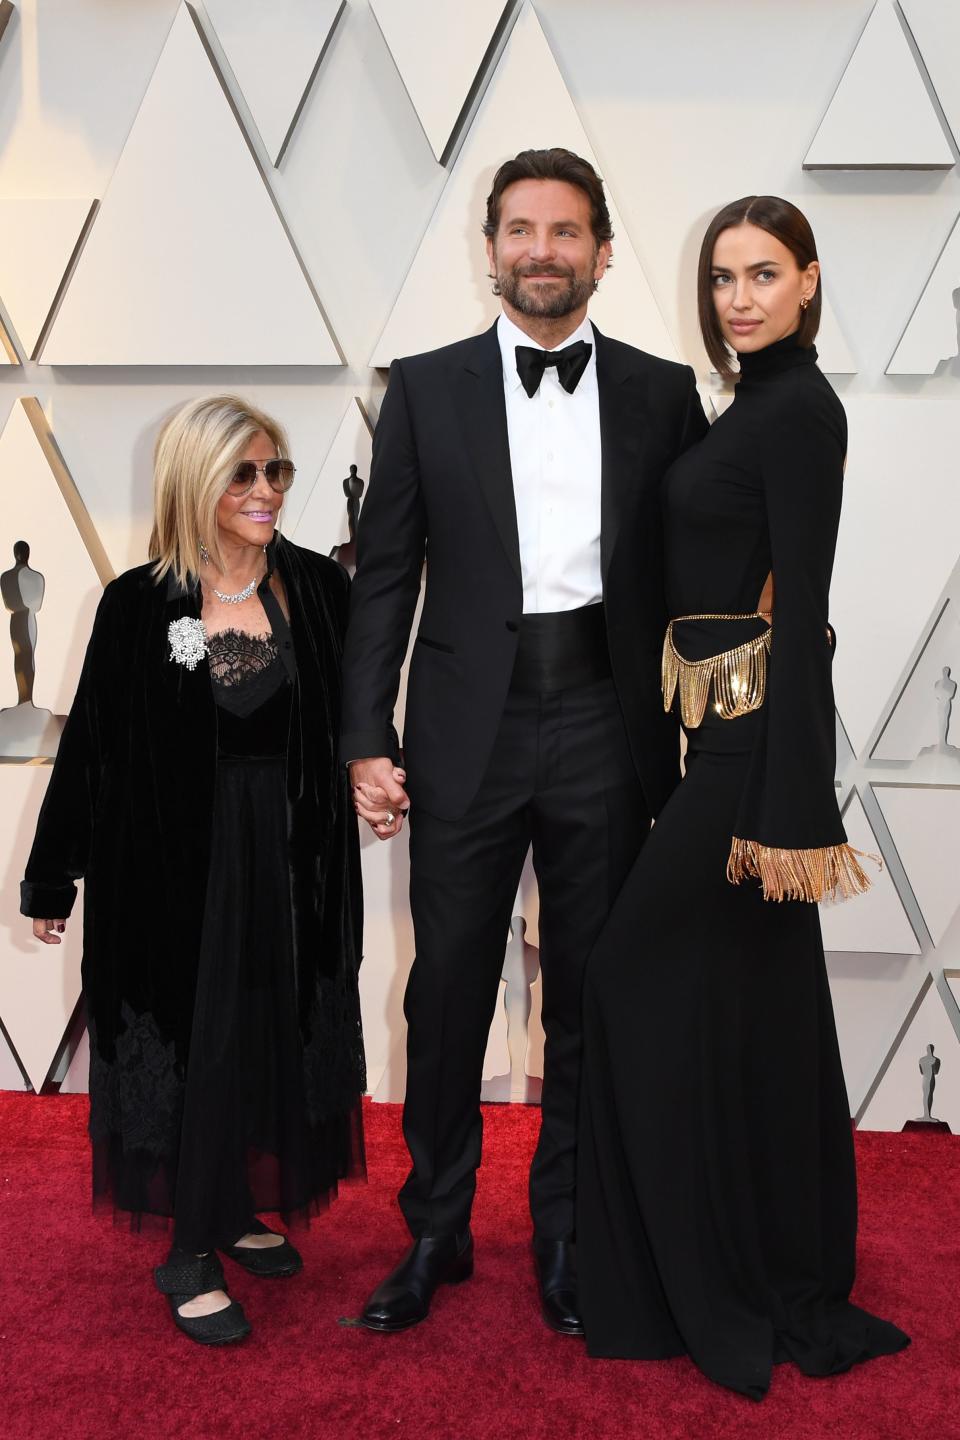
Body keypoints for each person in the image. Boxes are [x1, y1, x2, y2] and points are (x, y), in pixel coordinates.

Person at [341, 147, 707, 1335]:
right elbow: (385, 576)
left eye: (563, 232)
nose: (539, 250)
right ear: (489, 248)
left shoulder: (661, 392)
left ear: (604, 251)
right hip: (465, 728)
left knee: (590, 997)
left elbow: (699, 572)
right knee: (445, 989)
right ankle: (438, 1229)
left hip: (610, 717)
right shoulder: (427, 388)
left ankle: (568, 1230)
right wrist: (364, 731)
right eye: (518, 230)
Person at [576, 197, 910, 1397]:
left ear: (810, 284)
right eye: (723, 277)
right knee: (748, 1007)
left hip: (753, 757)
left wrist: (790, 804)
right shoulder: (749, 407)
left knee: (628, 974)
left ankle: (695, 1268)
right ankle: (733, 1253)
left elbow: (804, 613)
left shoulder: (803, 412)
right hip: (713, 740)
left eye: (765, 275)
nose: (739, 298)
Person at [20, 395, 365, 1345]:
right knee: (201, 1039)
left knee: (264, 1035)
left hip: (294, 866)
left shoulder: (318, 591)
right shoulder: (139, 601)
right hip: (176, 875)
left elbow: (355, 724)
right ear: (196, 481)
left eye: (277, 472)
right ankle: (189, 1247)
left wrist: (379, 781)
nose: (266, 492)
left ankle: (236, 1209)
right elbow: (91, 743)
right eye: (244, 474)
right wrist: (55, 876)